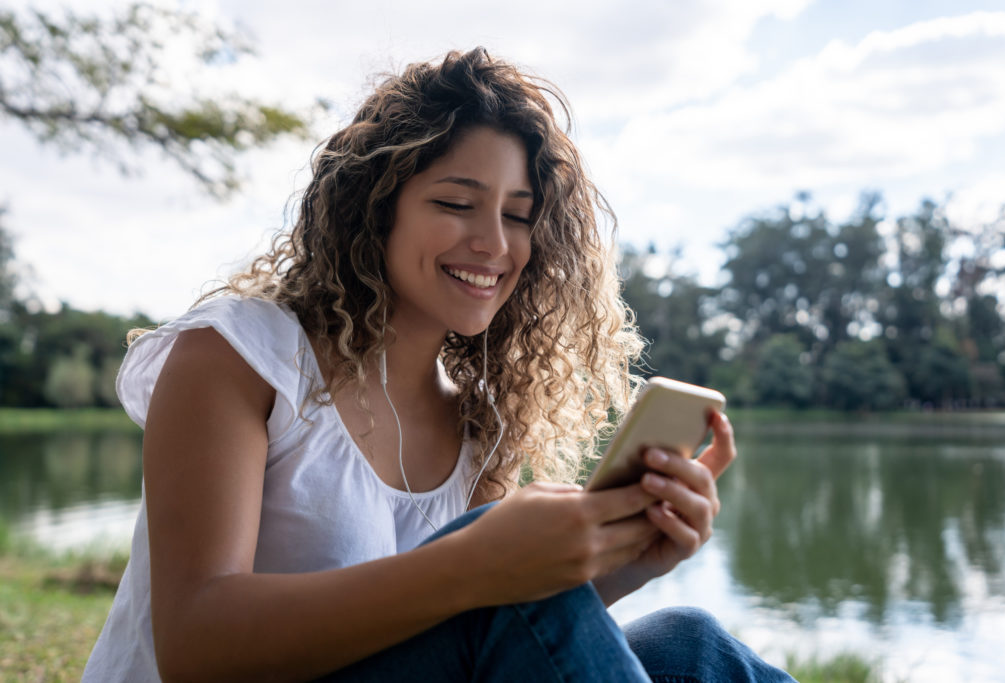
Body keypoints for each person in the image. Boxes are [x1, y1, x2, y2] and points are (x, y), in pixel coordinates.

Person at [84, 48, 794, 682]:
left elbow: (499, 631)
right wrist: (476, 563)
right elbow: (194, 645)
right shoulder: (239, 354)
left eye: (519, 215)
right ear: (375, 209)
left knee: (689, 646)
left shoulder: (479, 421)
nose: (494, 242)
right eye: (457, 203)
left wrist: (626, 559)